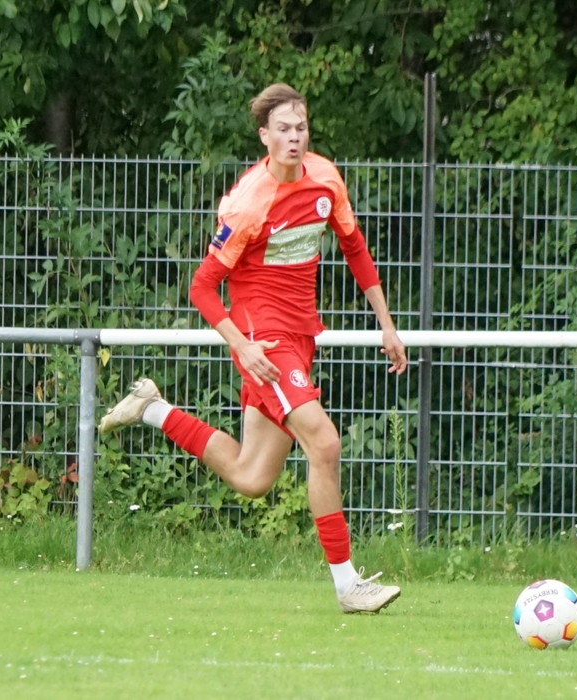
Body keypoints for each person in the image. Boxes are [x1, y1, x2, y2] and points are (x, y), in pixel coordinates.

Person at [100, 83, 408, 614]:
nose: (294, 137)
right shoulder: (248, 202)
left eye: (301, 127)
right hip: (265, 341)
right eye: (283, 129)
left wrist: (387, 324)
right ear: (265, 136)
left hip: (300, 336)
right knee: (325, 445)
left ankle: (152, 409)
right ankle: (347, 586)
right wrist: (242, 346)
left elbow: (355, 248)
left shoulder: (326, 179)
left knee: (251, 477)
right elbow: (202, 286)